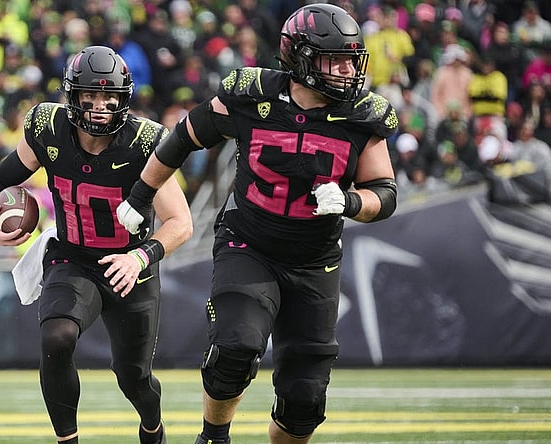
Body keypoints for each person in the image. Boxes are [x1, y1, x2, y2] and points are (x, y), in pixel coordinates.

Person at [116, 5, 398, 444]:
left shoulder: (362, 116)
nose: (347, 70)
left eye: (350, 59)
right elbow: (183, 137)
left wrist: (350, 200)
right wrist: (140, 193)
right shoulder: (252, 97)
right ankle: (214, 435)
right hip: (249, 244)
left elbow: (385, 194)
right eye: (335, 59)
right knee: (234, 347)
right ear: (300, 58)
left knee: (304, 400)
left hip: (315, 260)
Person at [0, 46, 192, 444]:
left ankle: (152, 427)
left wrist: (140, 257)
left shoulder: (145, 143)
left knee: (134, 378)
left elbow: (181, 223)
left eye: (109, 98)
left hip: (132, 268)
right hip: (72, 256)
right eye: (89, 97)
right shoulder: (48, 127)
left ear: (123, 99)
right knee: (56, 338)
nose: (99, 107)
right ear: (72, 98)